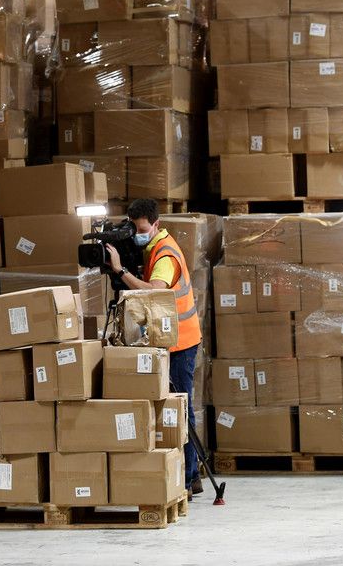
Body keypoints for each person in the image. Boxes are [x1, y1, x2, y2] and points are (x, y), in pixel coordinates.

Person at [105, 198, 204, 496]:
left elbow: (154, 292)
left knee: (180, 407)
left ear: (156, 224)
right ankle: (189, 475)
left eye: (141, 229)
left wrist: (120, 271)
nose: (137, 233)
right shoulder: (152, 247)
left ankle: (188, 477)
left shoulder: (165, 254)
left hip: (181, 341)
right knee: (176, 405)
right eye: (134, 228)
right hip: (169, 338)